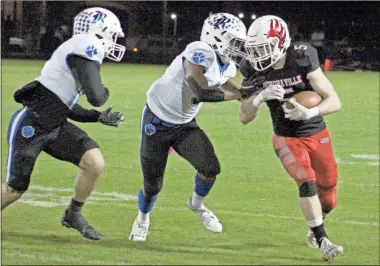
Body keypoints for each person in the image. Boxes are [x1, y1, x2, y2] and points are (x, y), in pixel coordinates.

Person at [129, 13, 260, 241]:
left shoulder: (226, 65)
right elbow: (198, 91)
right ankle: (142, 219)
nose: (238, 47)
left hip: (184, 125)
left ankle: (197, 205)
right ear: (216, 37)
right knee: (153, 185)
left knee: (210, 169)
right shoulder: (199, 49)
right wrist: (240, 93)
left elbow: (233, 88)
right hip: (156, 122)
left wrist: (261, 93)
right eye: (234, 41)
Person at [1, 7, 126, 241]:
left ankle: (73, 214)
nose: (113, 41)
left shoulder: (79, 47)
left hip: (55, 124)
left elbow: (64, 105)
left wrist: (96, 117)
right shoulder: (87, 44)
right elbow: (97, 96)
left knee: (94, 163)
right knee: (14, 189)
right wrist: (102, 98)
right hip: (32, 124)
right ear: (100, 30)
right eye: (112, 34)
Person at [238, 15, 343, 261]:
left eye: (263, 48)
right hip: (286, 136)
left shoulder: (302, 57)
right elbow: (244, 116)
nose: (258, 56)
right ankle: (322, 239)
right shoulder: (253, 69)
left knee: (328, 196)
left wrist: (310, 112)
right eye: (254, 50)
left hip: (316, 131)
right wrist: (260, 97)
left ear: (281, 42)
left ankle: (318, 220)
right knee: (306, 181)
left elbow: (334, 100)